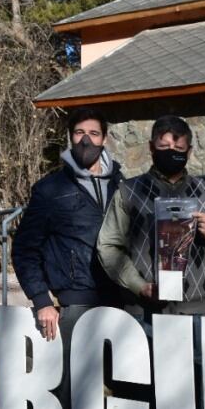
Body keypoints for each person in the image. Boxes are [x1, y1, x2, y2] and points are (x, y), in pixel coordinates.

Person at [97, 114, 205, 321]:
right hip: (142, 310)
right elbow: (108, 245)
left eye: (179, 148)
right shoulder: (129, 192)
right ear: (151, 147)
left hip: (195, 310)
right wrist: (139, 286)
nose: (171, 152)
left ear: (189, 151)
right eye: (163, 147)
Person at [12, 106, 122, 341]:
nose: (86, 139)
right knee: (72, 377)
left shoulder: (123, 185)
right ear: (71, 137)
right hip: (75, 303)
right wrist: (42, 300)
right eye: (79, 132)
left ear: (104, 138)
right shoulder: (49, 190)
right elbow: (24, 249)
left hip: (121, 300)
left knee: (119, 377)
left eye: (93, 133)